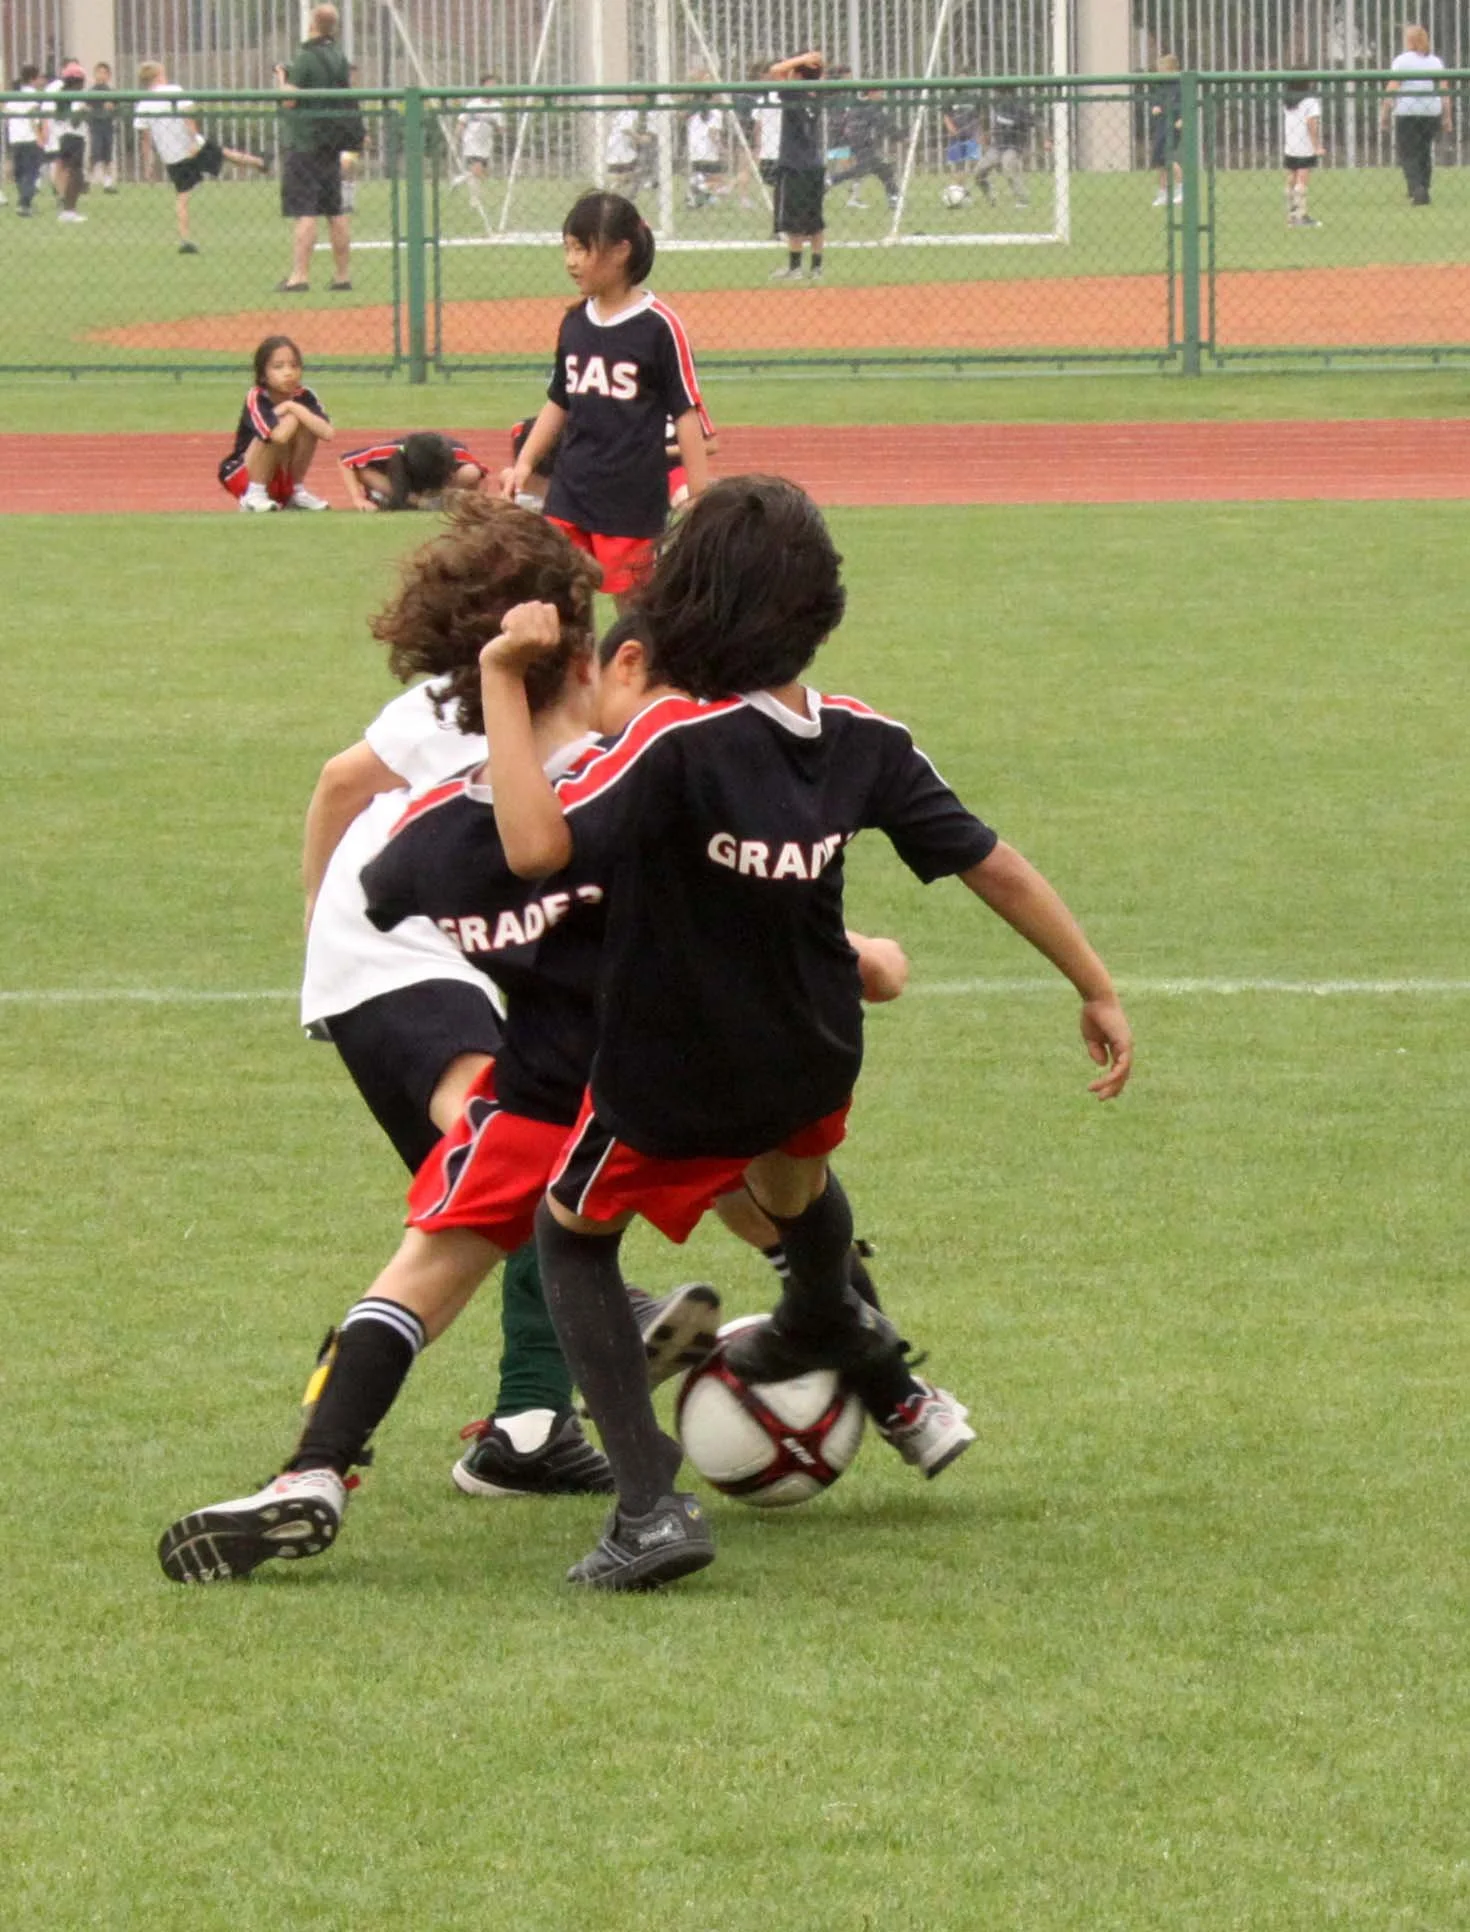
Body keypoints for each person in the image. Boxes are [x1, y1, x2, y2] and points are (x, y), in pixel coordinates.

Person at [477, 474, 1134, 1592]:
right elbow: (991, 863)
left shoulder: (675, 740)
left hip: (669, 1071)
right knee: (798, 1199)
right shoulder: (864, 739)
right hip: (810, 1056)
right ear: (819, 609)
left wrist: (501, 677)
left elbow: (535, 848)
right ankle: (852, 1349)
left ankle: (649, 1510)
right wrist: (1094, 983)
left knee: (571, 1234)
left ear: (688, 601)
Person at [155, 505, 730, 1584]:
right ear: (564, 627)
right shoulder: (583, 764)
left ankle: (364, 1462)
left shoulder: (462, 743)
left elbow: (381, 812)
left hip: (439, 944)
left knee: (477, 1210)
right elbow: (550, 848)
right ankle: (776, 1343)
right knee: (533, 1168)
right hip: (404, 962)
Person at [298, 517, 623, 1500]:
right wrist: (328, 923)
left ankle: (525, 1426)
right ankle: (354, 1433)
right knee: (520, 1138)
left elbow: (340, 782)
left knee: (523, 1178)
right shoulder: (480, 707)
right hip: (402, 949)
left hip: (433, 948)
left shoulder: (475, 700)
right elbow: (341, 784)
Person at [502, 190, 710, 609]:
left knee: (634, 612)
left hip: (631, 499)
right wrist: (524, 463)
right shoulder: (575, 322)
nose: (571, 261)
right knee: (558, 601)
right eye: (567, 248)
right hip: (571, 489)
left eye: (582, 248)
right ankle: (576, 675)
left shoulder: (658, 327)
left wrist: (701, 495)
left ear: (620, 251)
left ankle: (642, 674)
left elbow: (686, 413)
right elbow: (559, 401)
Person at [134, 59, 266, 253]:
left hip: (173, 156)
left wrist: (148, 163)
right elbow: (188, 117)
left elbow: (145, 138)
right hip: (191, 146)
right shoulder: (174, 91)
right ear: (158, 76)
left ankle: (185, 239)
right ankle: (260, 162)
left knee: (183, 196)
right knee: (225, 154)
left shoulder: (143, 104)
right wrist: (195, 140)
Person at [274, 2, 358, 291]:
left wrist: (282, 78)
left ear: (313, 22)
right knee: (335, 210)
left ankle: (299, 275)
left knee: (305, 210)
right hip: (331, 143)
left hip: (306, 142)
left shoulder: (306, 57)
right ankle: (342, 275)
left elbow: (289, 100)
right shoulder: (338, 55)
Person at [218, 334, 333, 512]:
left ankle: (296, 491)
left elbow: (327, 433)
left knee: (307, 423)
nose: (288, 372)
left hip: (280, 473)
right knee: (279, 428)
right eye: (278, 367)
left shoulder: (305, 396)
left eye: (294, 366)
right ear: (263, 375)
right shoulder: (257, 396)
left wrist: (292, 407)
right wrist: (293, 414)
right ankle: (254, 495)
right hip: (243, 474)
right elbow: (278, 437)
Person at [767, 50, 827, 280]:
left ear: (797, 75)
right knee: (815, 219)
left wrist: (802, 59)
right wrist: (812, 61)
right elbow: (819, 71)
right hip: (814, 163)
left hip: (793, 164)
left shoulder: (793, 92)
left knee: (793, 220)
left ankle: (795, 269)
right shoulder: (819, 92)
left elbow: (775, 70)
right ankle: (817, 268)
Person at [1381, 23, 1451, 208]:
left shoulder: (1402, 61)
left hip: (1408, 111)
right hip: (1431, 111)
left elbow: (1392, 88)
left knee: (1408, 152)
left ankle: (1416, 188)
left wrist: (1385, 113)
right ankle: (1424, 187)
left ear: (1409, 41)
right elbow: (1444, 90)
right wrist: (1447, 116)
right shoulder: (1435, 62)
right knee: (1424, 151)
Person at [339, 432, 489, 512]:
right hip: (401, 487)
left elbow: (482, 474)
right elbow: (346, 460)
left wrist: (478, 502)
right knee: (363, 471)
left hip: (442, 488)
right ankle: (417, 501)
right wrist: (357, 499)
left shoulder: (456, 452)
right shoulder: (391, 451)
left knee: (471, 472)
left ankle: (441, 498)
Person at [826, 82, 898, 212]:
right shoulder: (869, 107)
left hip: (856, 142)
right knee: (862, 168)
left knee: (884, 170)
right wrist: (900, 135)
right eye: (880, 92)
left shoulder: (858, 105)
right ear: (871, 93)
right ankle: (831, 180)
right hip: (860, 143)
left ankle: (894, 198)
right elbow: (884, 124)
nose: (882, 96)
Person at [48, 60, 88, 221]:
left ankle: (67, 208)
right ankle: (69, 210)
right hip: (74, 137)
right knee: (75, 173)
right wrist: (84, 111)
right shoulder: (75, 95)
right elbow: (75, 120)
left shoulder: (60, 95)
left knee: (68, 171)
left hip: (63, 137)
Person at [1282, 76, 1324, 228]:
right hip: (1304, 144)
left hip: (1290, 144)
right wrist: (1316, 145)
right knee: (1302, 178)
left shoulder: (1288, 100)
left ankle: (1291, 215)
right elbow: (1311, 123)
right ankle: (1300, 216)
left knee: (1291, 176)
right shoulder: (1310, 101)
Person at [6, 64, 46, 216]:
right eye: (39, 77)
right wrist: (39, 136)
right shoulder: (33, 95)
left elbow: (7, 112)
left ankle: (23, 201)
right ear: (32, 79)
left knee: (20, 173)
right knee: (31, 172)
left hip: (15, 139)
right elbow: (33, 118)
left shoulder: (14, 95)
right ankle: (24, 203)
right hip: (29, 139)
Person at [1148, 53, 1183, 207]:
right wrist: (1155, 107)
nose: (1159, 71)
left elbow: (1183, 103)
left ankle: (1182, 190)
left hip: (1173, 124)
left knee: (1168, 157)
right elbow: (1157, 102)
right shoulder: (1161, 86)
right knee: (1159, 160)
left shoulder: (1179, 85)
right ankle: (1163, 193)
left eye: (1163, 68)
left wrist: (1181, 119)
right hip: (1162, 124)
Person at [603, 102, 656, 198]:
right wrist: (639, 138)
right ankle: (613, 189)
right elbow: (625, 129)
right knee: (629, 173)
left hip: (625, 148)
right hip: (619, 147)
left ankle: (617, 189)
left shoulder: (638, 112)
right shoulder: (629, 111)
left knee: (631, 172)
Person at [86, 60, 117, 194]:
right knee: (94, 154)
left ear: (109, 76)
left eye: (105, 73)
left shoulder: (111, 92)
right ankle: (87, 181)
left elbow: (116, 107)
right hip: (95, 126)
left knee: (107, 156)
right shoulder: (91, 91)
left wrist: (112, 107)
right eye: (99, 72)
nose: (101, 75)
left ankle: (108, 183)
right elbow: (86, 106)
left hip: (108, 126)